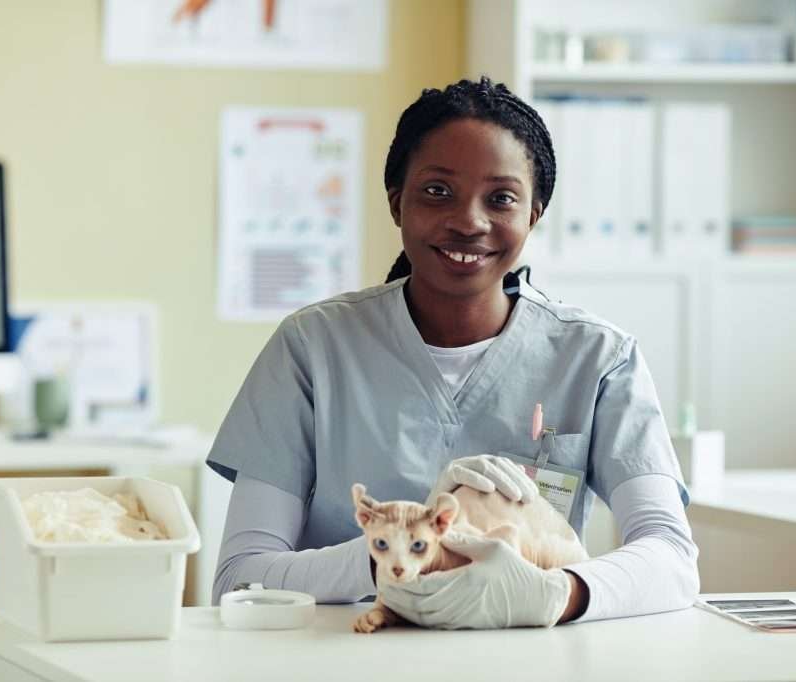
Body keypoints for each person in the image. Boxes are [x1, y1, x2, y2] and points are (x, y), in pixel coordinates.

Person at [206, 76, 699, 628]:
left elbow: (671, 558)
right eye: (437, 191)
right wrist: (397, 555)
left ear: (534, 214)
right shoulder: (311, 350)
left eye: (501, 198)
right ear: (397, 203)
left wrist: (556, 594)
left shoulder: (598, 359)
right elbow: (240, 580)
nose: (469, 221)